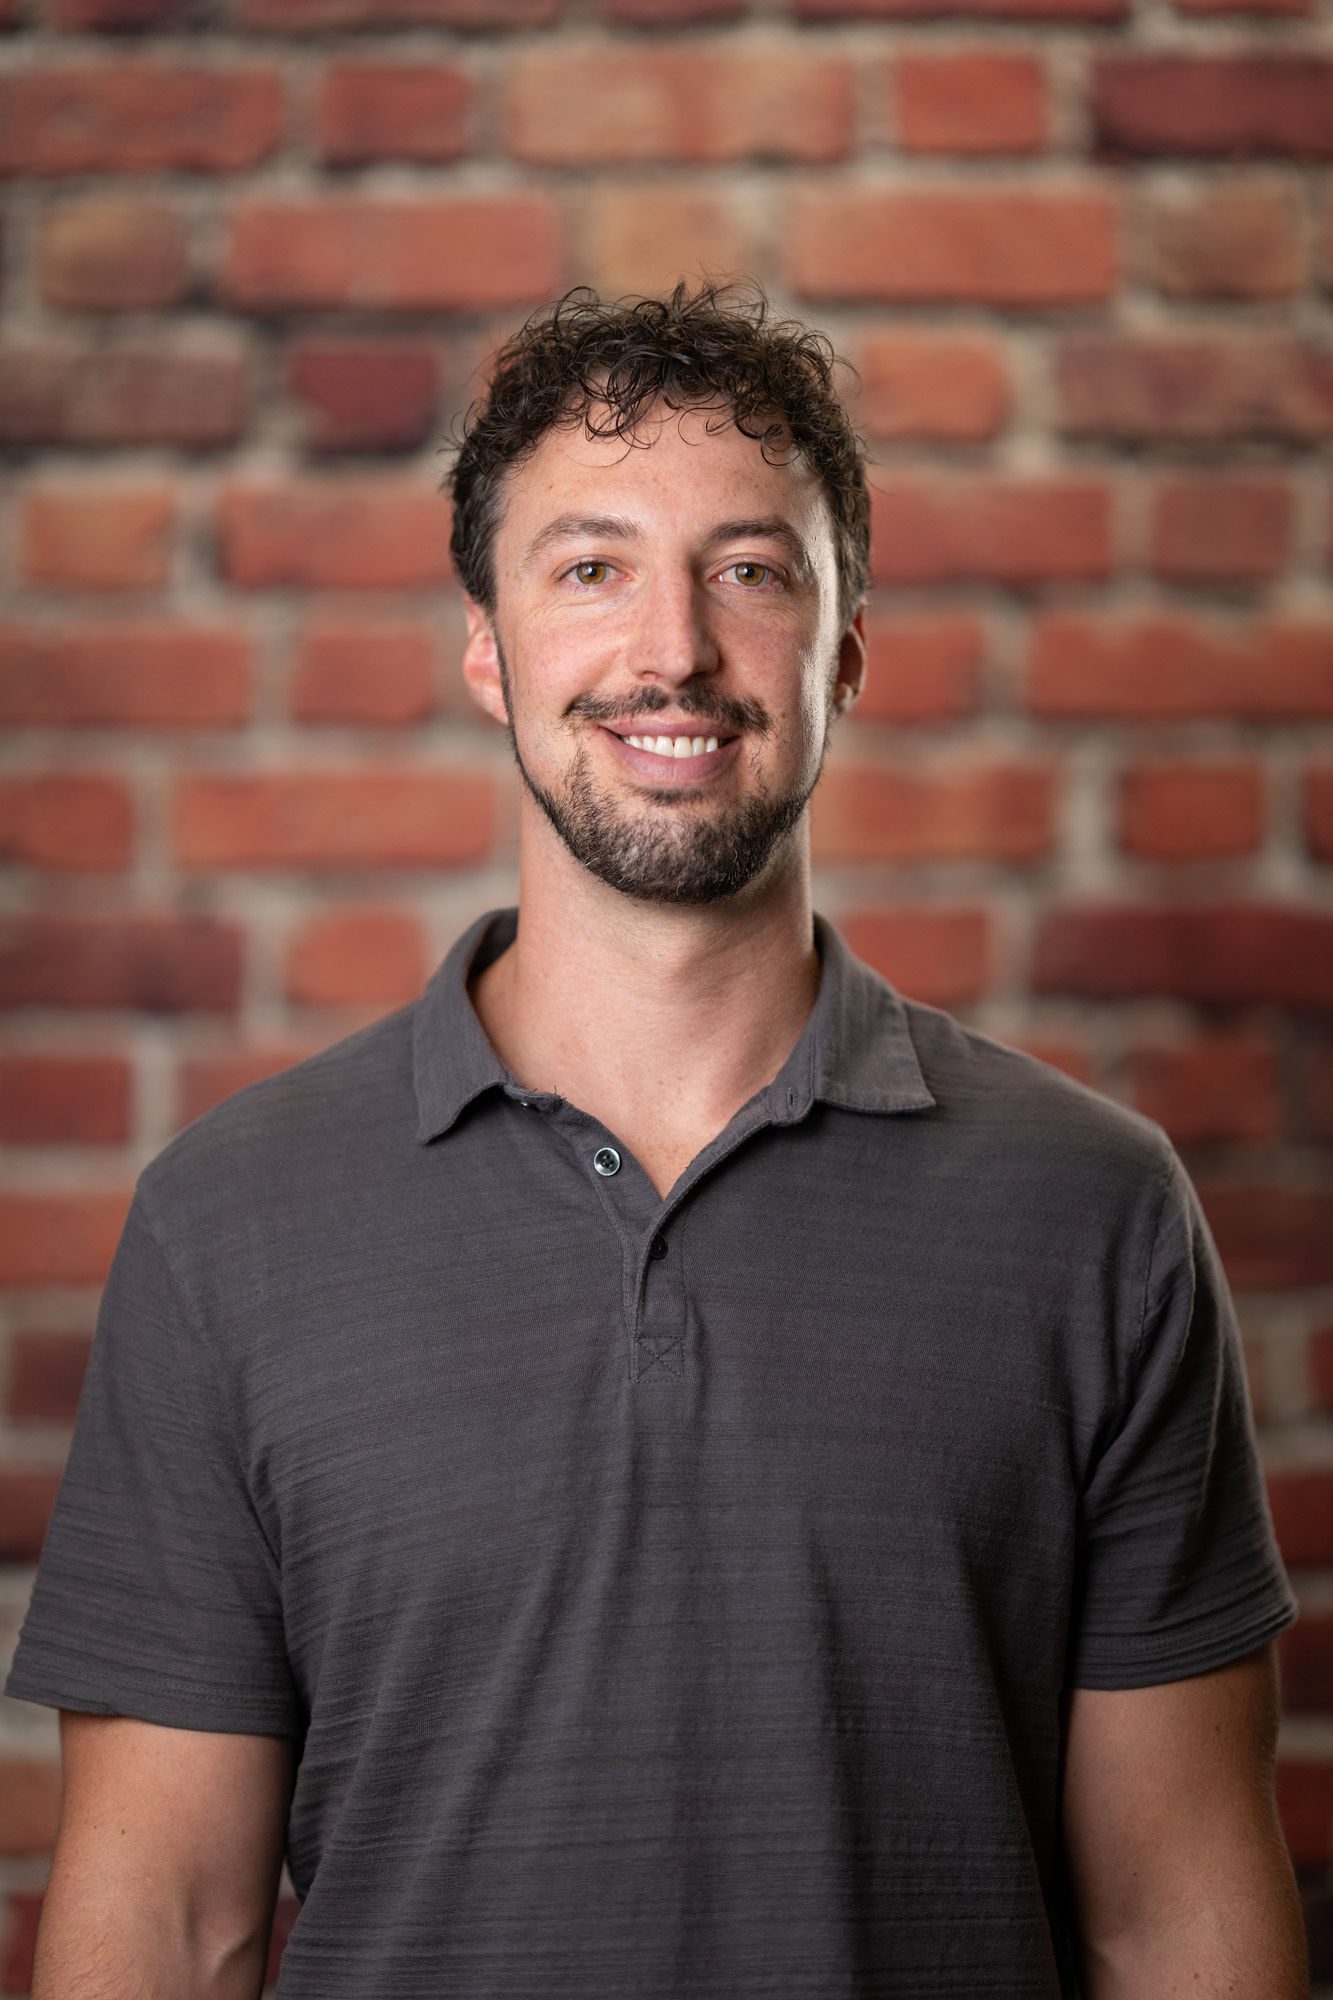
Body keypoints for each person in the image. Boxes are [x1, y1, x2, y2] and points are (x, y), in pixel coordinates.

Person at [4, 279, 1308, 1999]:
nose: (674, 649)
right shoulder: (230, 1226)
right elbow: (166, 1932)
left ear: (844, 645)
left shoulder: (1090, 1211)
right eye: (591, 567)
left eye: (751, 571)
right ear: (489, 644)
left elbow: (1179, 1929)